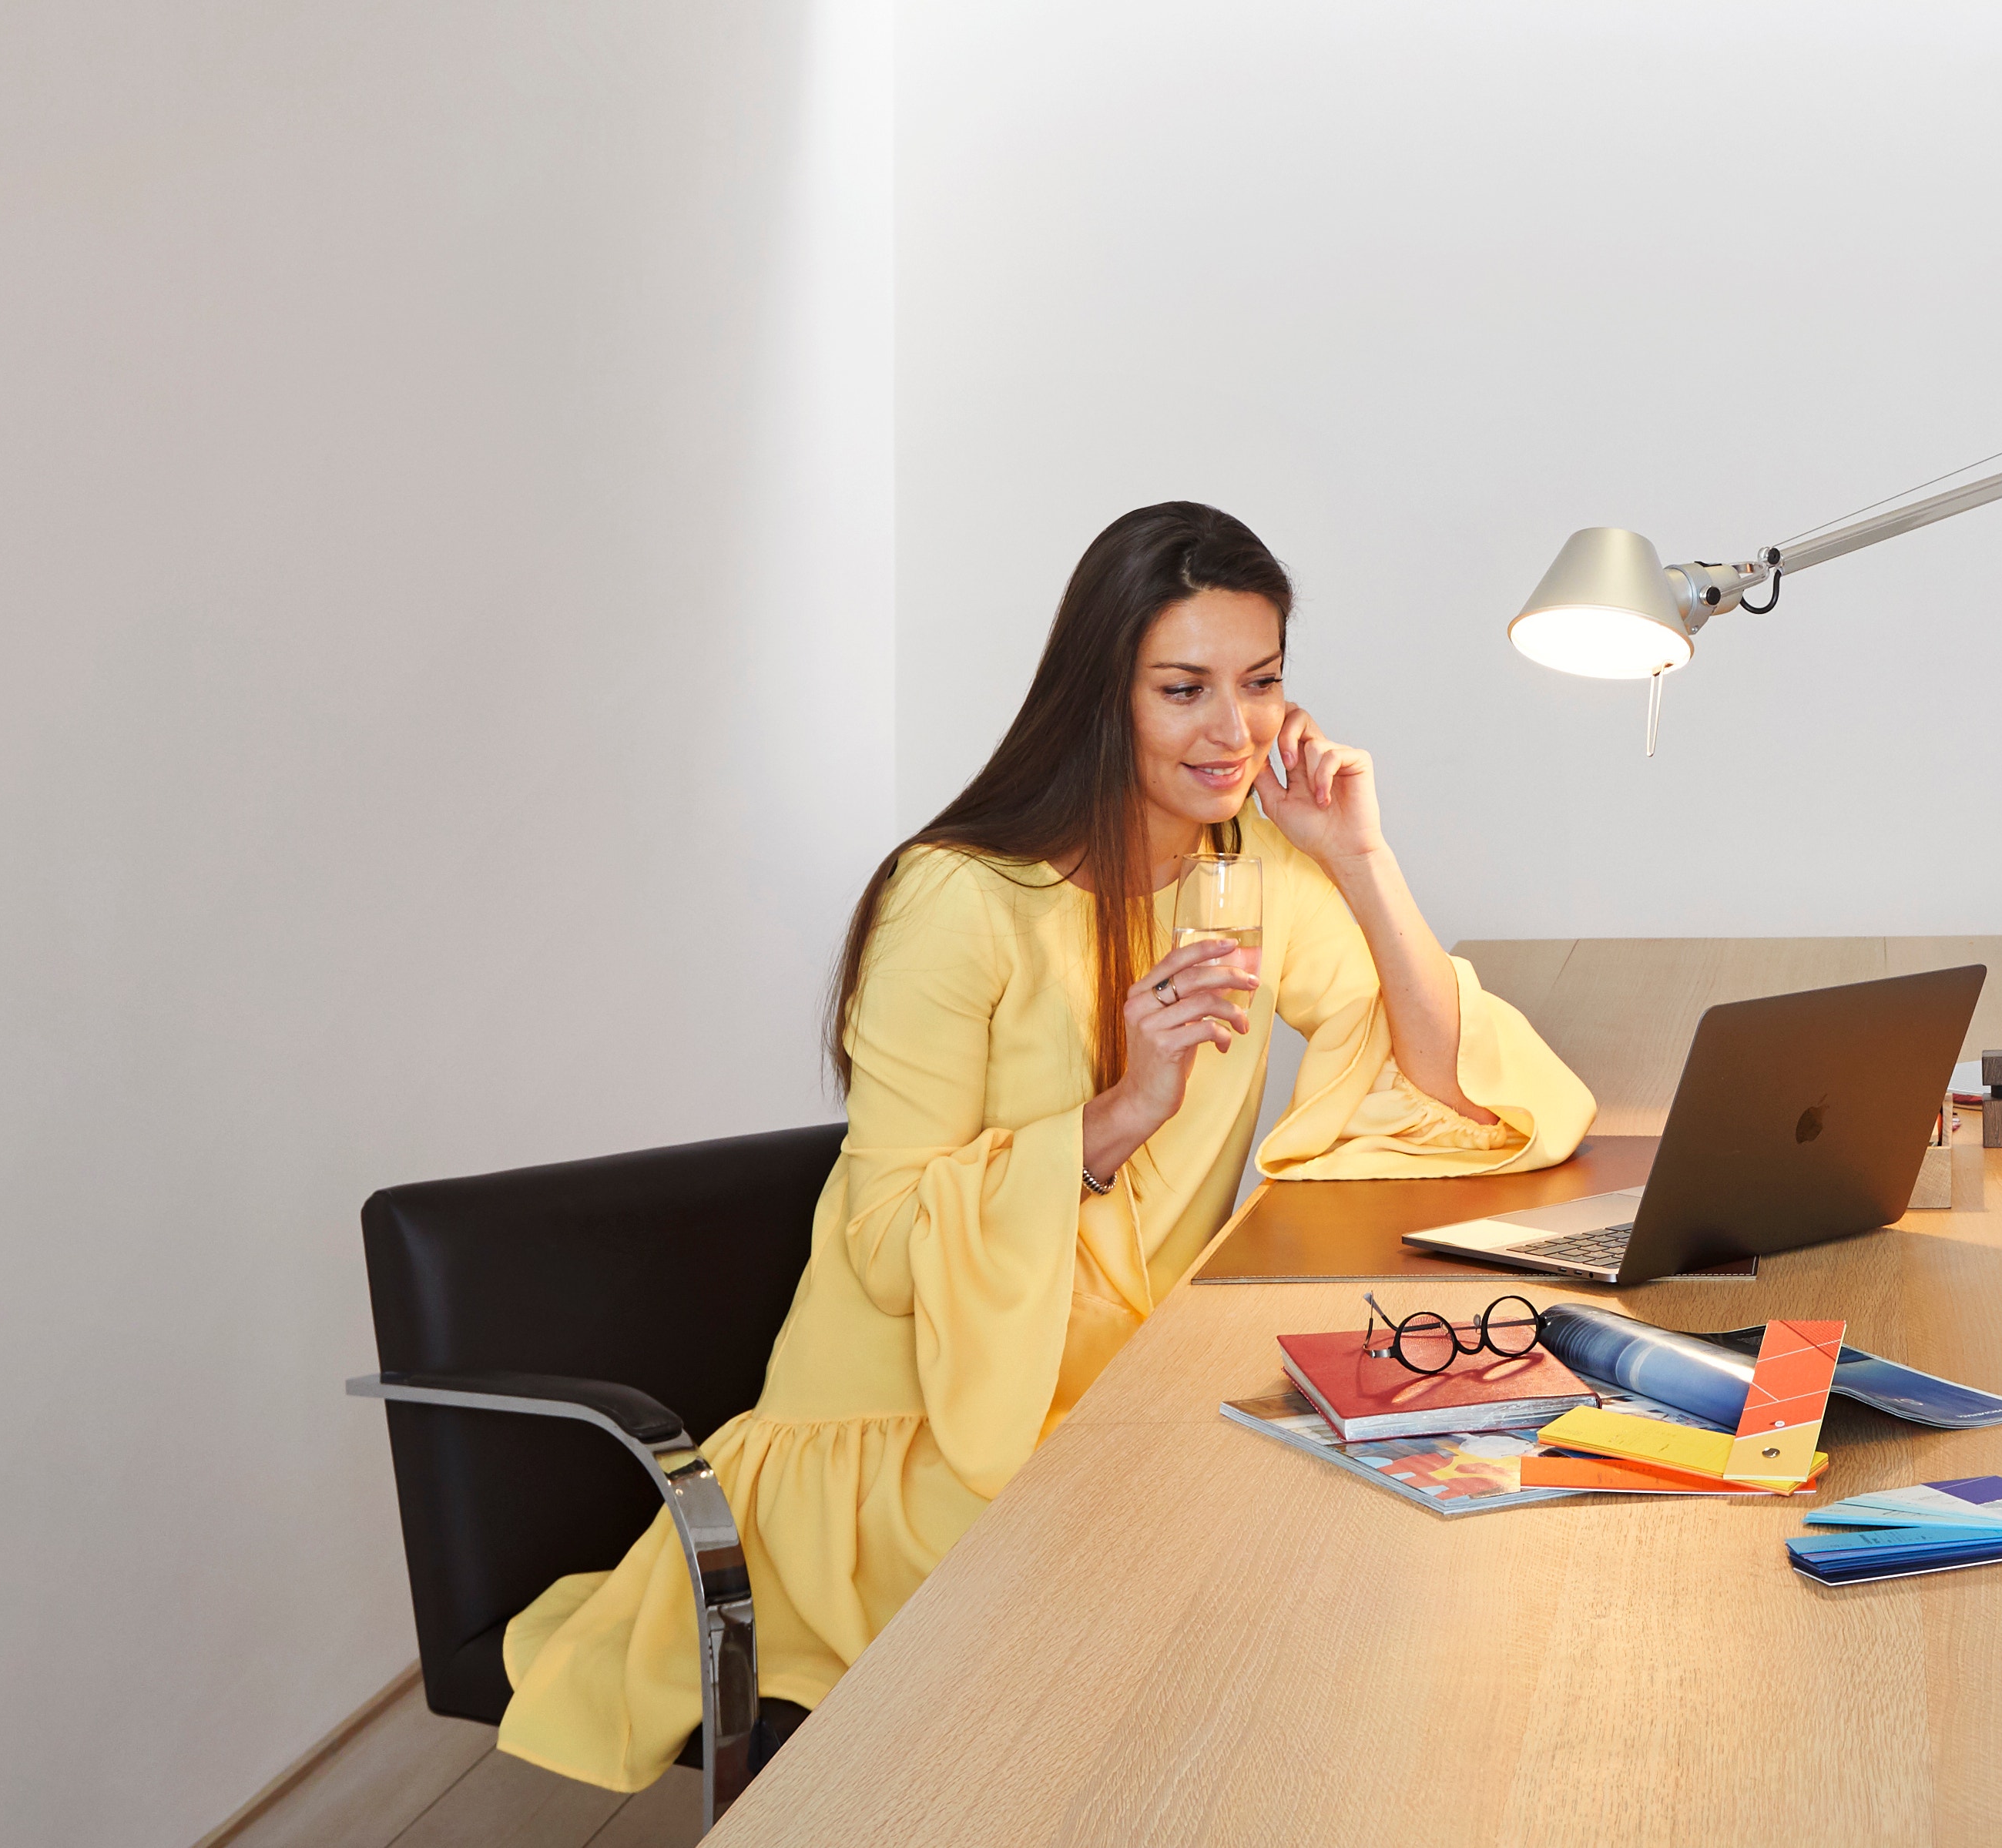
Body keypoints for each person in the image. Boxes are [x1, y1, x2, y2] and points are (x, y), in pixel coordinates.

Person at [491, 501, 1594, 1792]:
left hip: (1129, 1397)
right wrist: (1123, 1110)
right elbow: (891, 1245)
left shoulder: (1245, 876)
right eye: (1183, 689)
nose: (1230, 733)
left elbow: (1454, 1087)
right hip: (923, 1437)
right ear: (1098, 697)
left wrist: (1361, 857)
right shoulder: (954, 902)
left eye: (1261, 683)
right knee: (1266, 1595)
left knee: (1409, 1513)